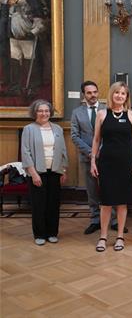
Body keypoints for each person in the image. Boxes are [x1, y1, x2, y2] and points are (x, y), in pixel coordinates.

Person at [91, 82, 132, 252]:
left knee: (122, 202)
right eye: (117, 93)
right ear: (111, 94)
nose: (120, 96)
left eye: (123, 93)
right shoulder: (102, 114)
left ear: (127, 97)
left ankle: (120, 236)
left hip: (126, 163)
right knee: (106, 202)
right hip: (106, 163)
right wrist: (93, 161)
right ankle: (103, 237)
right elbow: (97, 140)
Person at [71, 81, 121, 235]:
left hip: (108, 157)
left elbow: (114, 133)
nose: (92, 95)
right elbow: (74, 136)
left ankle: (113, 220)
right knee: (92, 191)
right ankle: (94, 220)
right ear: (83, 95)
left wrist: (102, 150)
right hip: (87, 158)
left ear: (98, 92)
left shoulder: (107, 109)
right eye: (89, 93)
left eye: (95, 92)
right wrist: (92, 152)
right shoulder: (77, 112)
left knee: (109, 188)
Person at [21, 99, 68, 245]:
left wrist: (64, 170)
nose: (44, 113)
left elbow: (63, 151)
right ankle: (40, 234)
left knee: (53, 204)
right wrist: (33, 173)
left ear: (50, 112)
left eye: (46, 111)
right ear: (35, 112)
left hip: (55, 171)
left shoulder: (57, 129)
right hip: (37, 172)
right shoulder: (29, 129)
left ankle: (52, 233)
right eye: (40, 111)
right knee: (39, 205)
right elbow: (25, 152)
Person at [8, 0, 47, 95]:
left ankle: (31, 88)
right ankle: (16, 87)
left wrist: (35, 30)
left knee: (29, 61)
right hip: (14, 34)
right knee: (14, 61)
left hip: (26, 33)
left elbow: (39, 15)